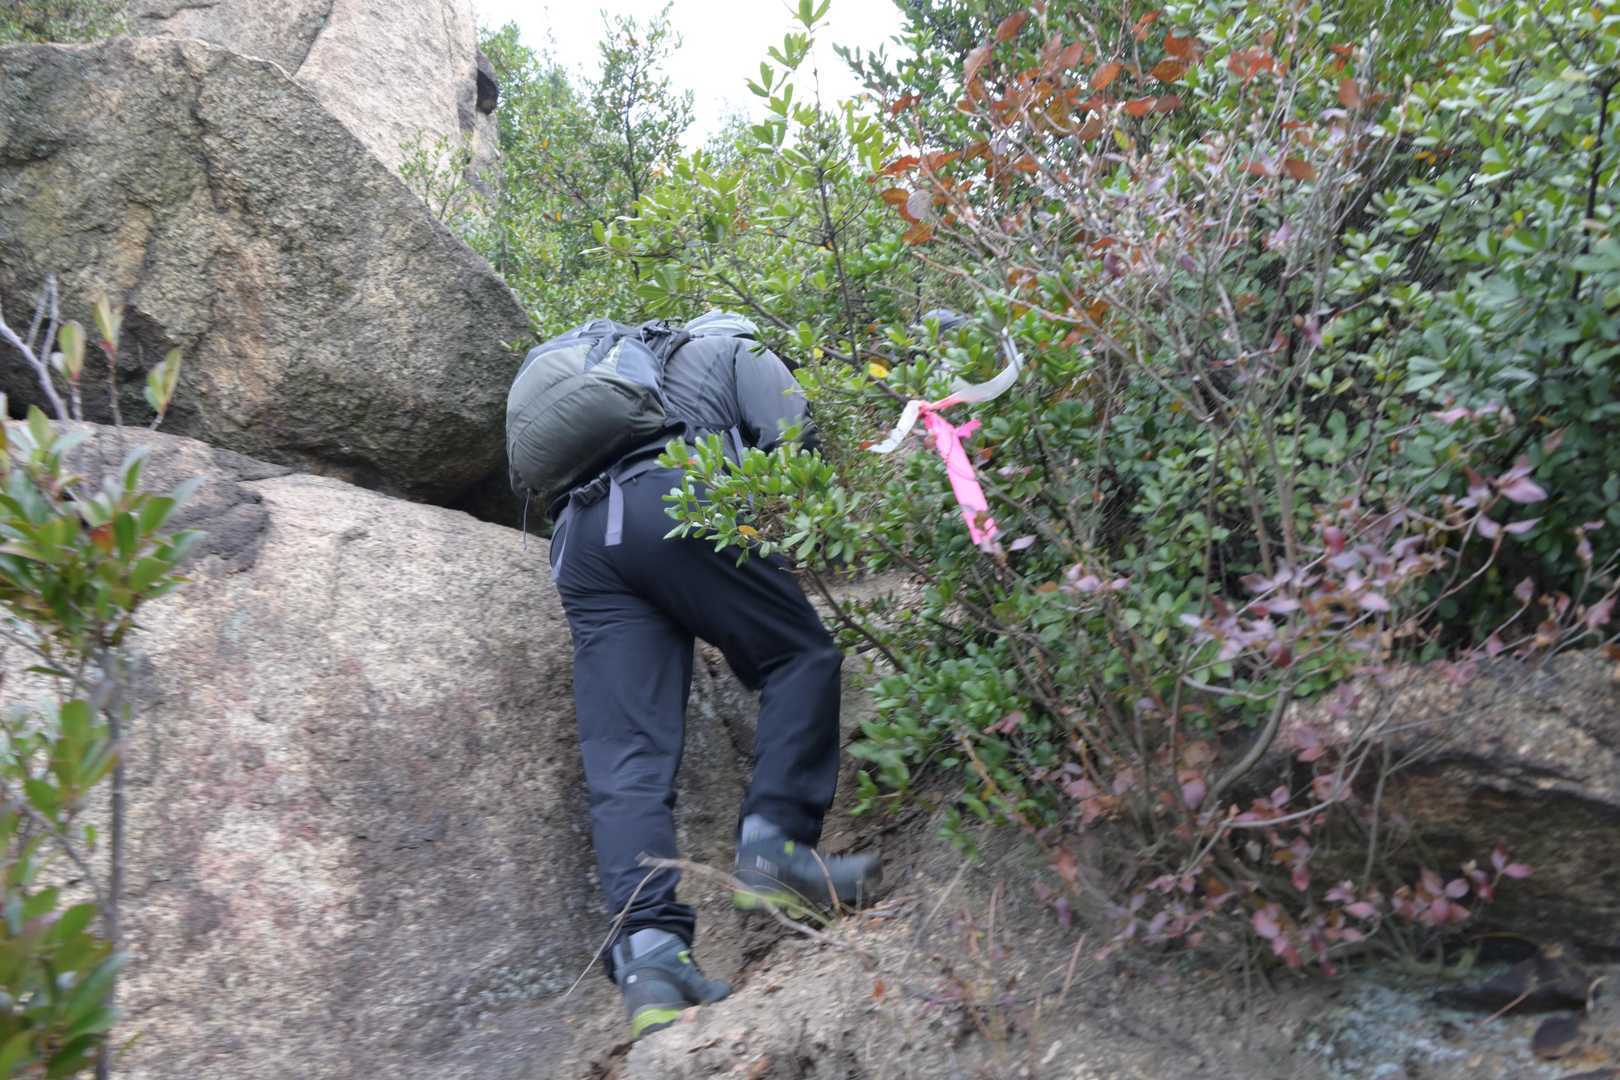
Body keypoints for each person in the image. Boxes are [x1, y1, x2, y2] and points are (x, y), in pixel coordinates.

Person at [545, 311, 881, 1040]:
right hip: (669, 498)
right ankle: (775, 849)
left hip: (580, 543)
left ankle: (651, 960)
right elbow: (794, 446)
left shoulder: (622, 381)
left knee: (629, 761)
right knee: (799, 655)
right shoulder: (736, 350)